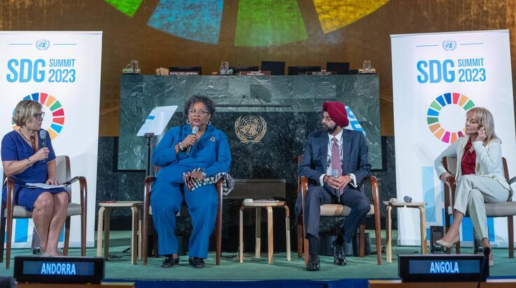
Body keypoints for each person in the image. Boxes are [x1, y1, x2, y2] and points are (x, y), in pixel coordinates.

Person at [151, 95, 231, 268]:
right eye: (193, 111)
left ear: (209, 116)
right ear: (187, 115)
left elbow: (224, 162)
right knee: (161, 201)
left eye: (202, 111)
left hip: (198, 178)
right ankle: (170, 252)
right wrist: (180, 146)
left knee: (207, 204)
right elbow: (156, 158)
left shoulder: (217, 136)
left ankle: (197, 254)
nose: (197, 114)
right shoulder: (175, 132)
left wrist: (205, 173)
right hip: (171, 176)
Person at [297, 101, 371, 271]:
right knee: (312, 194)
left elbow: (365, 168)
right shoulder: (314, 138)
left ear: (338, 120)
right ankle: (314, 254)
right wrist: (324, 177)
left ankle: (339, 242)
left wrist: (349, 177)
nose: (324, 121)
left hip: (347, 188)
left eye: (328, 118)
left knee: (364, 204)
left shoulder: (357, 138)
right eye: (324, 117)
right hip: (324, 188)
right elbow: (303, 168)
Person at [435, 107, 511, 266]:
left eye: (473, 121)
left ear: (483, 126)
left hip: (497, 189)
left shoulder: (493, 143)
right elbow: (439, 159)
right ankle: (486, 249)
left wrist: (478, 144)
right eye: (467, 120)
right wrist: (443, 173)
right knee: (474, 194)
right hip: (474, 191)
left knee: (467, 179)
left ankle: (454, 230)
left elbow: (490, 169)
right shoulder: (461, 142)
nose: (467, 124)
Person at [1, 100, 68, 257]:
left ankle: (52, 248)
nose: (41, 119)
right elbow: (9, 169)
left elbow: (51, 158)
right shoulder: (10, 139)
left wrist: (51, 176)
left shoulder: (44, 134)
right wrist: (33, 158)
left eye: (41, 115)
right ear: (25, 117)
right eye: (37, 115)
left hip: (42, 185)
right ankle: (44, 245)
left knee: (63, 196)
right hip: (18, 186)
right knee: (45, 199)